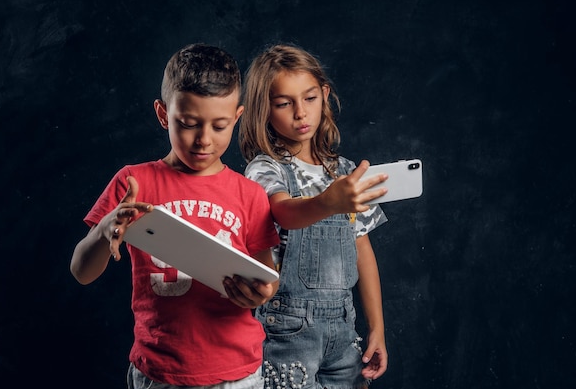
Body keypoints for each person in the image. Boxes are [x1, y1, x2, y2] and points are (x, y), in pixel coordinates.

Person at [70, 43, 280, 389]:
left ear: (238, 118)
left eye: (219, 126)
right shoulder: (133, 182)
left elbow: (266, 277)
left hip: (238, 372)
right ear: (163, 114)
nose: (203, 140)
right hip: (160, 371)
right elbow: (81, 272)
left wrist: (260, 293)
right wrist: (104, 229)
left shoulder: (250, 194)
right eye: (188, 124)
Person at [238, 43, 389, 388]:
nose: (300, 113)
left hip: (344, 330)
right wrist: (328, 202)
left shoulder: (346, 172)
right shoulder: (265, 168)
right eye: (284, 103)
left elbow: (362, 251)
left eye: (309, 98)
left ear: (324, 94)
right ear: (265, 110)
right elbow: (283, 211)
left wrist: (377, 328)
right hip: (287, 330)